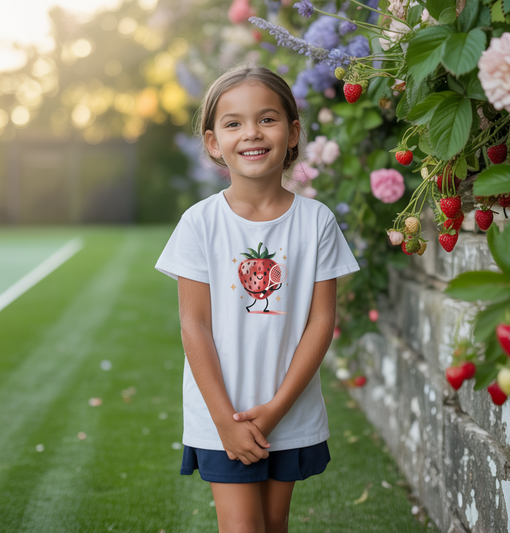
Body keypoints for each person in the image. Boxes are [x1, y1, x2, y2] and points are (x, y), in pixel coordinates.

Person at [155, 63, 360, 533]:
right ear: (212, 142)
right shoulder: (199, 224)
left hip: (286, 411)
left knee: (273, 524)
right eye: (234, 123)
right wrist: (227, 421)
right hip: (221, 415)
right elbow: (194, 326)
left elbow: (320, 323)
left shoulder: (317, 221)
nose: (252, 133)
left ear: (292, 133)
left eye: (266, 119)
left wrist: (274, 410)